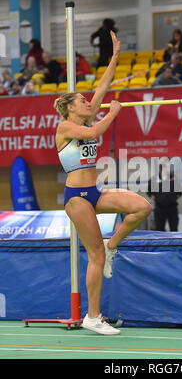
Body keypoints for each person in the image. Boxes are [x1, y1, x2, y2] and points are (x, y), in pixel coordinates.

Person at [54, 31, 151, 336]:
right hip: (77, 198)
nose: (88, 102)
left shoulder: (82, 118)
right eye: (83, 101)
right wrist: (113, 113)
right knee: (93, 255)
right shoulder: (67, 126)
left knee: (141, 207)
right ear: (71, 107)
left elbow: (103, 86)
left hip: (94, 192)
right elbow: (94, 130)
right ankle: (92, 316)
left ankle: (113, 246)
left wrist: (115, 58)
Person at [147, 161, 182, 231]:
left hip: (172, 208)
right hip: (159, 208)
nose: (169, 169)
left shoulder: (173, 178)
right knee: (159, 229)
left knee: (174, 229)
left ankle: (175, 242)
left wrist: (173, 198)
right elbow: (149, 192)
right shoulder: (154, 179)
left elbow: (180, 191)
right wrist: (156, 198)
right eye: (167, 167)